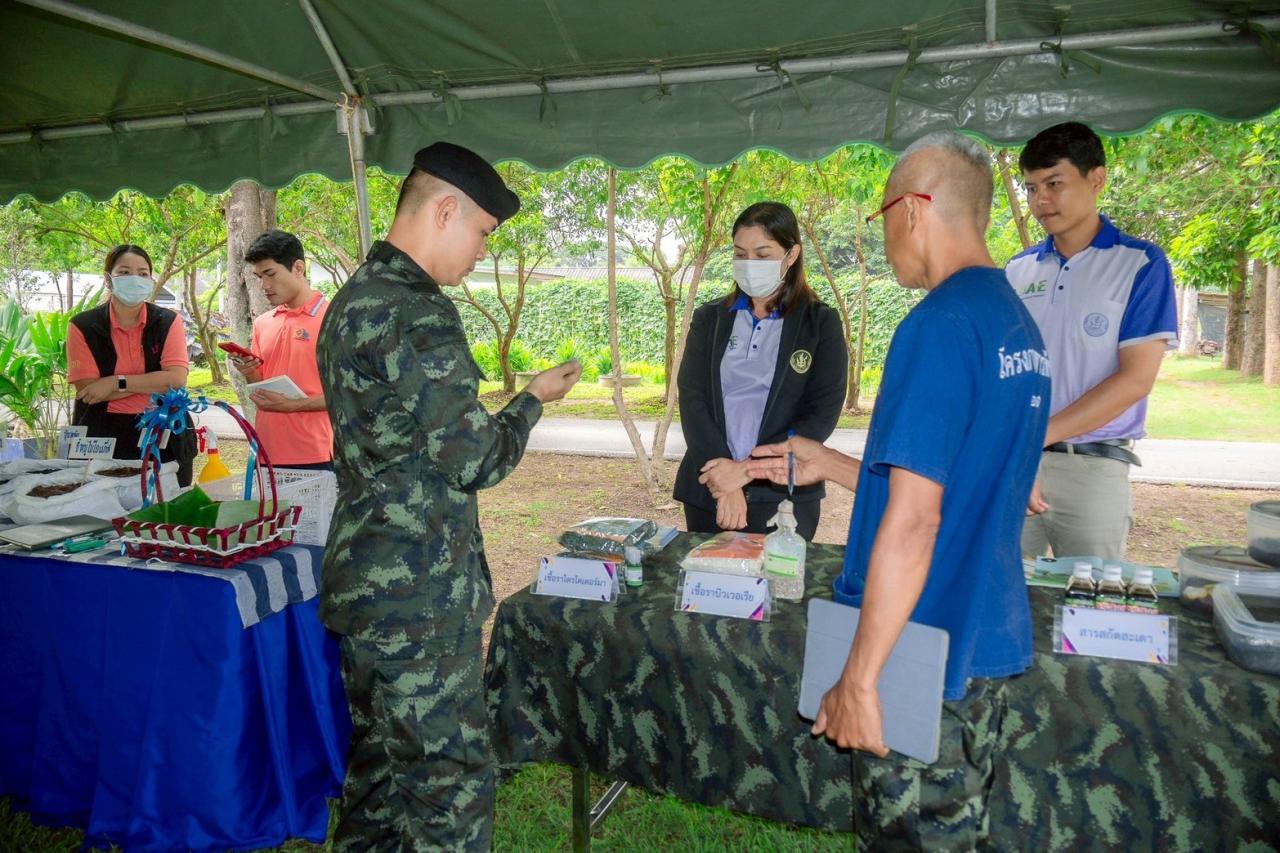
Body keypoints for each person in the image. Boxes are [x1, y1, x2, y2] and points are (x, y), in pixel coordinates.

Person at [747, 132, 1050, 849]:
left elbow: (915, 524)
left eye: (883, 215)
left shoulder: (937, 326)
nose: (883, 238)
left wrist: (859, 677)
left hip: (922, 645)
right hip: (986, 631)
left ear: (914, 209)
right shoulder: (1015, 321)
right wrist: (838, 466)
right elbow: (957, 484)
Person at [317, 141, 581, 851]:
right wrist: (530, 400)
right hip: (420, 603)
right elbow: (474, 460)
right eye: (482, 234)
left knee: (377, 784)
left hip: (365, 588)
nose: (480, 253)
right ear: (443, 210)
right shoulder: (417, 310)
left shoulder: (352, 298)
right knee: (451, 786)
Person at [1007, 121, 1178, 560]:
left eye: (1054, 183)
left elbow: (1136, 380)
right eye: (1030, 188)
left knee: (1091, 610)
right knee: (1002, 595)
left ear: (1096, 178)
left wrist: (1038, 435)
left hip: (1094, 467)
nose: (1040, 200)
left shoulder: (1139, 263)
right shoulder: (1018, 270)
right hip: (1014, 462)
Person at [675, 201, 847, 540]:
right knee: (709, 587)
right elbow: (692, 398)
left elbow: (821, 414)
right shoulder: (710, 319)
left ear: (791, 254)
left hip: (783, 496)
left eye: (763, 254)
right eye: (740, 254)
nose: (749, 264)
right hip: (709, 486)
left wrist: (745, 472)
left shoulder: (819, 323)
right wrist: (724, 481)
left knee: (777, 589)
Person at [67, 244, 197, 485]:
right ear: (108, 279)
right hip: (103, 437)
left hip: (162, 433)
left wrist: (115, 382)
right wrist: (152, 382)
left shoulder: (168, 321)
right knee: (105, 511)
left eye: (143, 273)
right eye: (125, 272)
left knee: (165, 511)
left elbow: (176, 379)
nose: (135, 279)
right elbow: (89, 391)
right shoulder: (83, 326)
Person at [227, 229, 333, 470]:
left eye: (270, 274)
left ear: (298, 268)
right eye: (258, 277)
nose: (264, 285)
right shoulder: (264, 323)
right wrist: (249, 372)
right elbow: (262, 384)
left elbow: (349, 393)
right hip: (266, 454)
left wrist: (292, 405)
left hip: (317, 455)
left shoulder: (334, 320)